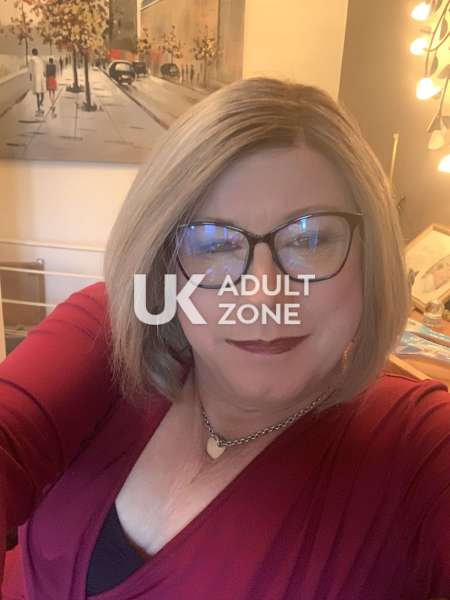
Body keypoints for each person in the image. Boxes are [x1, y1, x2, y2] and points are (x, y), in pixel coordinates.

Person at [0, 78, 449, 599]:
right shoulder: (110, 330)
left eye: (309, 238)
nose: (263, 293)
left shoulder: (418, 448)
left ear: (370, 259)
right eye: (213, 243)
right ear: (164, 266)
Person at [28, 48, 45, 115]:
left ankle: (40, 105)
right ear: (34, 52)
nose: (37, 52)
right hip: (37, 77)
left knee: (41, 93)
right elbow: (30, 69)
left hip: (40, 77)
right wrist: (31, 76)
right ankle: (39, 108)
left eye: (36, 51)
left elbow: (42, 68)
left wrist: (31, 76)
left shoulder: (39, 59)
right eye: (36, 51)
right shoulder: (33, 59)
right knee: (39, 93)